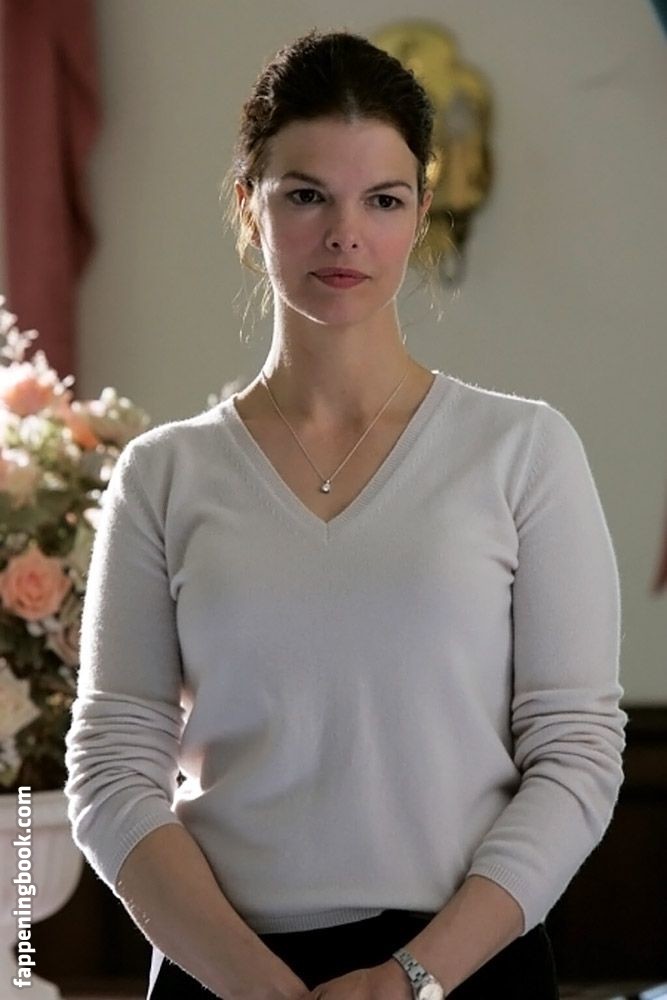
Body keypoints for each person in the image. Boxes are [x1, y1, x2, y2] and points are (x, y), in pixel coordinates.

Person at [64, 28, 627, 1000]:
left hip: (464, 973)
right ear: (249, 204)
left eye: (383, 199)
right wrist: (251, 983)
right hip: (222, 971)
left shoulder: (524, 452)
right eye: (306, 195)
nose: (345, 234)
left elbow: (576, 755)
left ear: (420, 213)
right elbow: (112, 768)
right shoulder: (162, 476)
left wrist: (413, 978)